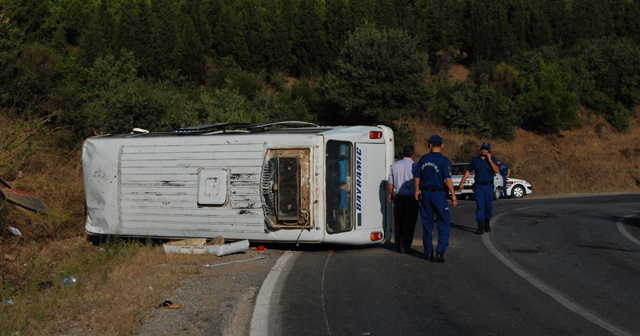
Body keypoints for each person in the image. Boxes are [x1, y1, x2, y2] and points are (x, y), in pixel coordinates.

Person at [413, 135, 458, 262]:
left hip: (425, 194)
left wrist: (417, 190)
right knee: (443, 222)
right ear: (442, 145)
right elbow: (447, 179)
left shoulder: (423, 159)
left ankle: (428, 252)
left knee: (427, 224)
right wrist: (453, 195)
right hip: (439, 194)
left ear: (430, 145)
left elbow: (417, 177)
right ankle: (440, 251)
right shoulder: (444, 161)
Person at [459, 142, 499, 234]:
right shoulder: (475, 160)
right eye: (483, 149)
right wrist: (462, 182)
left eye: (486, 149)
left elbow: (497, 170)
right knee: (480, 206)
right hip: (479, 186)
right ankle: (480, 227)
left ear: (489, 150)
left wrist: (490, 160)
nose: (484, 150)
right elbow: (469, 171)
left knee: (488, 206)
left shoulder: (492, 159)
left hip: (489, 185)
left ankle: (487, 223)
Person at [387, 145, 419, 254]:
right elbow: (418, 181)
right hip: (411, 197)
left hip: (398, 196)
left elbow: (390, 182)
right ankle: (406, 245)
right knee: (409, 222)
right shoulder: (415, 166)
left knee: (398, 221)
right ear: (413, 155)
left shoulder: (395, 165)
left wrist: (390, 194)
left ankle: (397, 244)